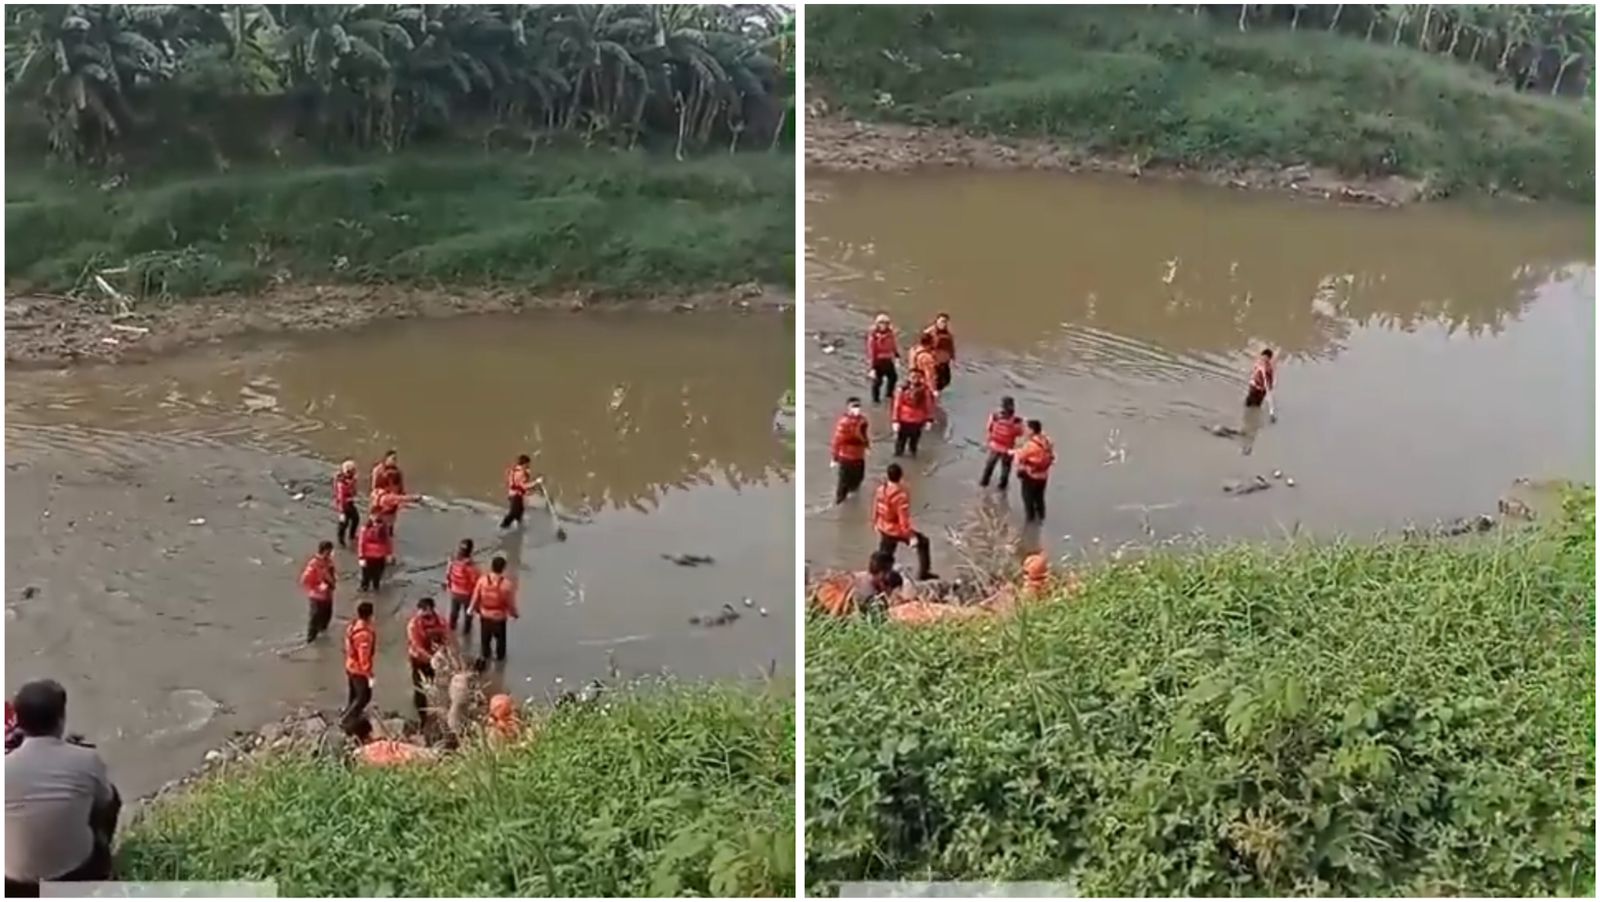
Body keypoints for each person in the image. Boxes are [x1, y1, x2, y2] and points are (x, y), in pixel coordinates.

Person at [5, 679, 121, 894]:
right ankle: (104, 861)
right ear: (61, 719)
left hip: (15, 886)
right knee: (108, 795)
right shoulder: (87, 759)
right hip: (78, 874)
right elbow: (106, 801)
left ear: (19, 723)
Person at [874, 463, 934, 580]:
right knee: (923, 542)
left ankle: (878, 577)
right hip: (895, 529)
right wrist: (910, 536)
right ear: (900, 476)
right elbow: (903, 519)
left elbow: (875, 507)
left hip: (883, 526)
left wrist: (875, 523)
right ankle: (924, 573)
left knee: (885, 555)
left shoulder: (880, 490)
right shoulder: (900, 495)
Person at [406, 598, 450, 720]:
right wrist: (430, 657)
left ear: (431, 609)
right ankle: (422, 716)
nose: (420, 612)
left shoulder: (440, 621)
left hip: (436, 660)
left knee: (434, 684)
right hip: (418, 660)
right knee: (419, 687)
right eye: (420, 609)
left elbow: (446, 638)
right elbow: (416, 645)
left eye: (423, 610)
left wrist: (441, 652)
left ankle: (434, 709)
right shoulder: (414, 624)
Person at [470, 555, 519, 665]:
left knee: (485, 643)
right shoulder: (507, 585)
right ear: (503, 568)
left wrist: (471, 609)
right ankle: (500, 667)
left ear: (491, 566)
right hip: (499, 618)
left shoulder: (482, 580)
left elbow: (475, 596)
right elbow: (510, 603)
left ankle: (485, 662)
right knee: (500, 644)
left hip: (485, 616)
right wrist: (514, 614)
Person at [341, 601, 377, 735]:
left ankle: (349, 715)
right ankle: (347, 719)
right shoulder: (364, 634)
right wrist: (369, 674)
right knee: (364, 697)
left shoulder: (353, 626)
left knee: (354, 695)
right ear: (370, 615)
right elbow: (364, 656)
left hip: (350, 665)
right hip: (359, 670)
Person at [979, 396, 1025, 491]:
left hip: (995, 445)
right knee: (1005, 469)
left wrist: (988, 441)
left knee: (989, 466)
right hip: (1007, 448)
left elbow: (989, 429)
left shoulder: (995, 416)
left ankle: (983, 485)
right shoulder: (1017, 421)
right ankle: (1002, 488)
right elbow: (1020, 434)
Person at [830, 397, 871, 504]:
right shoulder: (843, 422)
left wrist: (867, 446)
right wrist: (835, 457)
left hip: (859, 456)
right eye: (854, 406)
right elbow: (837, 440)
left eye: (858, 406)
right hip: (846, 457)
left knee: (858, 480)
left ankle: (852, 502)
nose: (857, 409)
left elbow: (864, 435)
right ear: (848, 408)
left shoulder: (863, 421)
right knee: (843, 484)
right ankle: (839, 502)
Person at [1014, 420, 1056, 523]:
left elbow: (1019, 459)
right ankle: (1041, 518)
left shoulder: (1030, 446)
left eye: (1027, 428)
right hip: (1043, 476)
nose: (1025, 430)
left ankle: (1030, 523)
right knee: (1040, 499)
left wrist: (1016, 452)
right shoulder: (1046, 441)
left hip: (1031, 476)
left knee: (1028, 500)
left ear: (1032, 430)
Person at [891, 368, 936, 457]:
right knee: (900, 442)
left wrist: (929, 420)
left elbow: (929, 405)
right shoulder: (902, 389)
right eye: (913, 377)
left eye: (918, 377)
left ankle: (913, 456)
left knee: (914, 443)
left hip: (917, 421)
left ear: (922, 378)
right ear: (909, 377)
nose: (915, 379)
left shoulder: (925, 391)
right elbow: (896, 405)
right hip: (904, 420)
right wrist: (895, 420)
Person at [300, 540, 337, 642]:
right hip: (317, 596)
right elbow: (305, 580)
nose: (330, 553)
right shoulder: (314, 564)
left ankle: (322, 638)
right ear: (324, 550)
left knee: (326, 616)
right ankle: (311, 640)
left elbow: (331, 575)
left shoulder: (329, 562)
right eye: (329, 551)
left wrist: (332, 583)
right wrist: (317, 586)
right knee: (315, 618)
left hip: (328, 594)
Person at [445, 539, 480, 635]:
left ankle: (451, 631)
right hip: (467, 594)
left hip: (455, 592)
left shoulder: (453, 561)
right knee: (468, 614)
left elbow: (448, 574)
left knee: (453, 613)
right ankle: (466, 633)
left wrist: (448, 586)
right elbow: (475, 581)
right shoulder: (471, 566)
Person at [501, 455, 544, 530]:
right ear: (524, 463)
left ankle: (518, 528)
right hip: (516, 495)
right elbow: (524, 485)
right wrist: (536, 482)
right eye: (528, 464)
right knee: (513, 513)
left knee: (519, 512)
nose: (529, 465)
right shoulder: (521, 473)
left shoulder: (514, 470)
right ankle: (503, 527)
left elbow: (518, 483)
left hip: (513, 494)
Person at [866, 313, 899, 404]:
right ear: (877, 324)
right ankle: (875, 400)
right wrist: (872, 367)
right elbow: (871, 352)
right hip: (878, 362)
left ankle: (889, 395)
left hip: (888, 360)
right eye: (881, 323)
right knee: (877, 382)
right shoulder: (873, 336)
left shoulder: (890, 334)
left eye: (885, 323)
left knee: (893, 378)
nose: (883, 325)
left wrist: (896, 355)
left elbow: (893, 345)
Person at [923, 313, 957, 391]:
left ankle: (936, 393)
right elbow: (923, 345)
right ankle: (931, 395)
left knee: (946, 381)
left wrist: (953, 356)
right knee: (934, 381)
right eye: (942, 321)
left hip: (945, 360)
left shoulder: (948, 333)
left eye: (945, 322)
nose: (943, 324)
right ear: (937, 321)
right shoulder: (930, 333)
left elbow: (950, 346)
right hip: (934, 361)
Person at [357, 518, 391, 592]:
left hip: (380, 555)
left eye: (379, 523)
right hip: (368, 556)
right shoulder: (365, 529)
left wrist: (388, 554)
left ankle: (376, 585)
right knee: (366, 574)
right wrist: (361, 557)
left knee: (378, 573)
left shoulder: (384, 529)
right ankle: (365, 587)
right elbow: (361, 543)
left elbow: (387, 541)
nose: (377, 525)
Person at [333, 460, 360, 548]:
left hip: (349, 502)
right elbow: (341, 496)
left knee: (355, 519)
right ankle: (341, 540)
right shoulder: (341, 482)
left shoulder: (351, 480)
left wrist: (353, 484)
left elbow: (354, 492)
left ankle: (352, 535)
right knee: (344, 523)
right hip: (343, 504)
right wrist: (341, 510)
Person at [1246, 348, 1277, 419]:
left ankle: (1254, 418)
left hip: (1262, 389)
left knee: (1257, 405)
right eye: (1263, 356)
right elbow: (1253, 372)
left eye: (1266, 357)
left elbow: (1270, 379)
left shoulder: (1269, 368)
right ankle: (1248, 416)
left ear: (1269, 358)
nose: (1264, 358)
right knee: (1249, 402)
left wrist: (1269, 387)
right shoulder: (1258, 363)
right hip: (1254, 386)